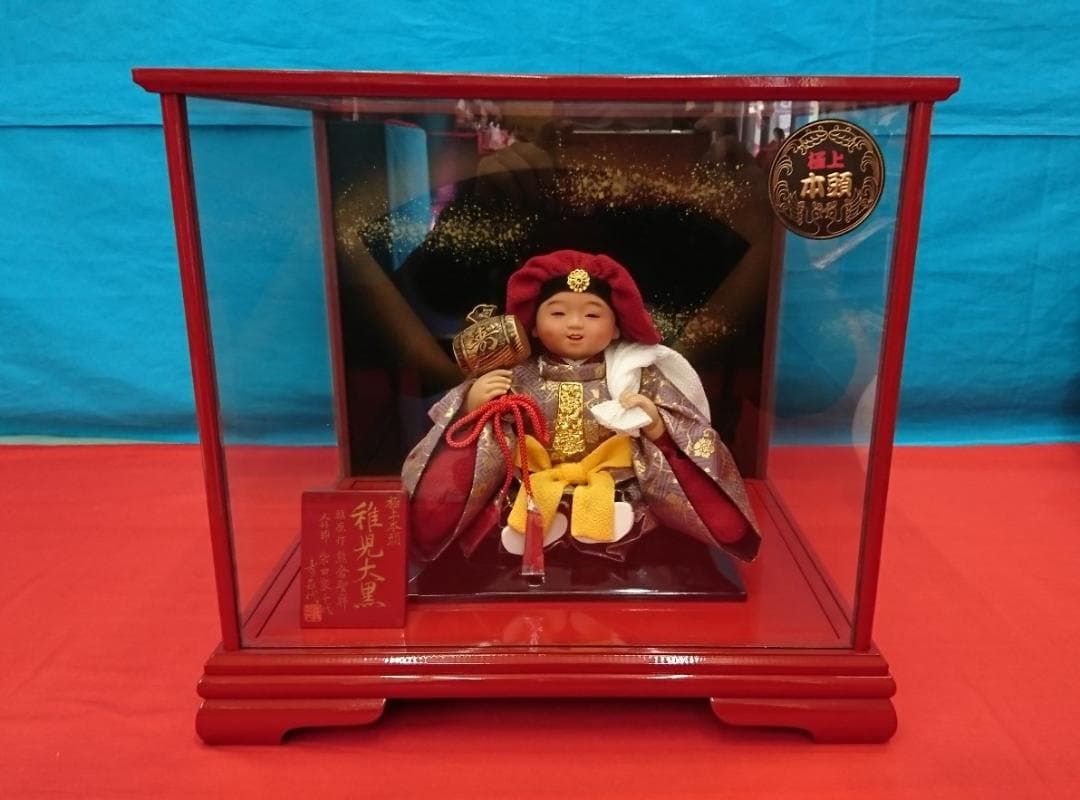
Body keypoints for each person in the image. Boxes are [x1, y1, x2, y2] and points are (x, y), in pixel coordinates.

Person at [401, 250, 760, 567]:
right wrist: (475, 404)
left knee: (628, 516)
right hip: (530, 485)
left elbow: (688, 434)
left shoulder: (636, 375)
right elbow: (473, 437)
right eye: (558, 312)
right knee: (511, 510)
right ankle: (534, 534)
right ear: (533, 327)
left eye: (592, 314)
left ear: (617, 328)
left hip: (615, 487)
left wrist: (656, 426)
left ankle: (595, 534)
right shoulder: (516, 374)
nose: (574, 324)